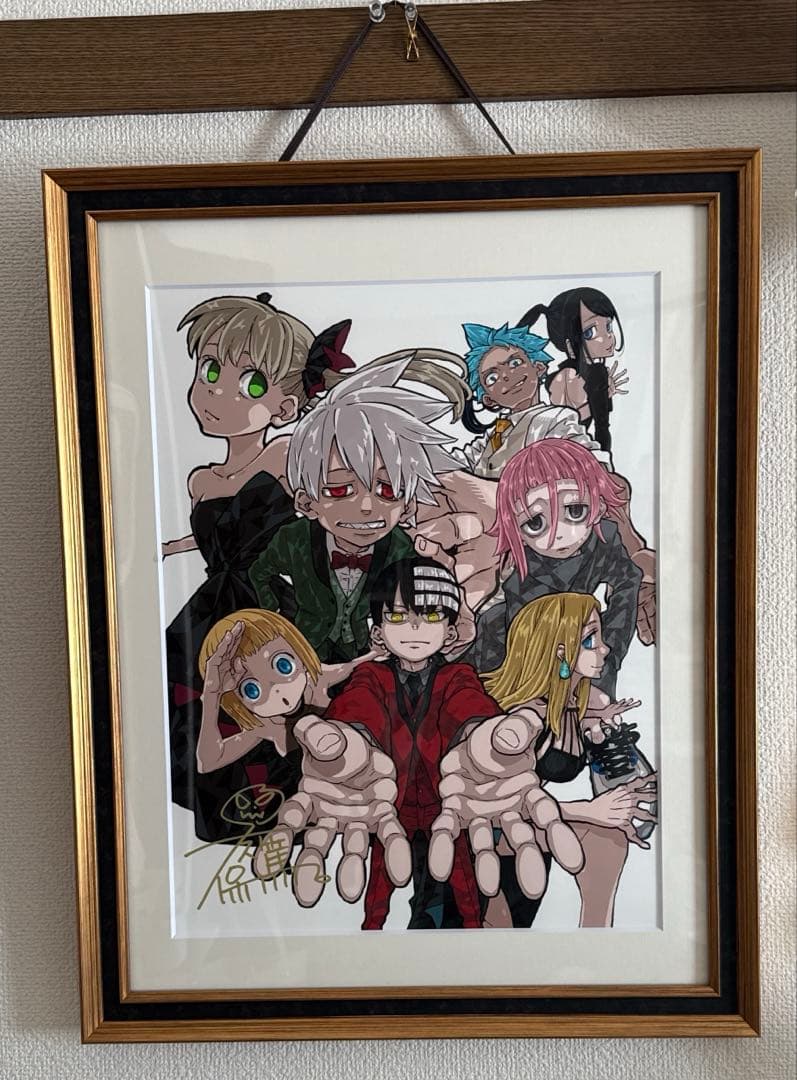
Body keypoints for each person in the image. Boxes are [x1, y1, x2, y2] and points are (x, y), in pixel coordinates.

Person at [164, 292, 355, 839]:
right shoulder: (200, 479)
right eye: (209, 370)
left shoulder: (286, 455)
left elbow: (327, 506)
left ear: (285, 408)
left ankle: (291, 814)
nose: (216, 392)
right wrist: (161, 549)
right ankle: (229, 815)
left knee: (279, 701)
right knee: (199, 703)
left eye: (249, 384)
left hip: (270, 601)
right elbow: (215, 539)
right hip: (210, 606)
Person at [429, 592, 656, 929]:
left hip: (532, 825)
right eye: (590, 640)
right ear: (560, 650)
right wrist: (590, 811)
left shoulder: (576, 703)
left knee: (609, 839)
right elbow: (502, 801)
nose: (604, 649)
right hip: (486, 830)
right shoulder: (522, 718)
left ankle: (598, 942)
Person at [249, 355, 481, 661]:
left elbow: (434, 583)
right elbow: (260, 572)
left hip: (367, 657)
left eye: (388, 490)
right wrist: (276, 618)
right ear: (306, 502)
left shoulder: (401, 547)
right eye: (340, 490)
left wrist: (459, 612)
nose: (368, 506)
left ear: (408, 505)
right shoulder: (293, 538)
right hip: (302, 655)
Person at [195, 607, 377, 864]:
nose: (279, 692)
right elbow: (207, 761)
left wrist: (376, 653)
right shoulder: (263, 726)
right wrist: (212, 694)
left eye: (283, 665)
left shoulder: (317, 680)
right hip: (307, 812)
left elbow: (351, 667)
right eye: (252, 689)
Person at [467, 438, 642, 698]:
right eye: (535, 523)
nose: (557, 534)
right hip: (514, 656)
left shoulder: (604, 536)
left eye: (575, 510)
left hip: (585, 640)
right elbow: (529, 650)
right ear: (515, 529)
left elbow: (627, 582)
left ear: (599, 506)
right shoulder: (524, 575)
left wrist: (606, 666)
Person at [518, 287, 629, 455]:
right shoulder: (571, 377)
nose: (608, 337)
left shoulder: (595, 373)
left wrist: (602, 397)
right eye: (590, 332)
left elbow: (596, 426)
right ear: (569, 344)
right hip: (566, 457)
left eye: (608, 326)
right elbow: (564, 429)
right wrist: (600, 399)